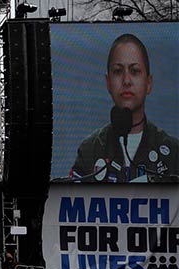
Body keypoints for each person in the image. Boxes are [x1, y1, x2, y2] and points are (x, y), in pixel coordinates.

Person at [70, 33, 179, 182]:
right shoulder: (89, 150)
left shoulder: (173, 153)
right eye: (118, 71)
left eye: (134, 71)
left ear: (149, 83)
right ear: (108, 82)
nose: (126, 81)